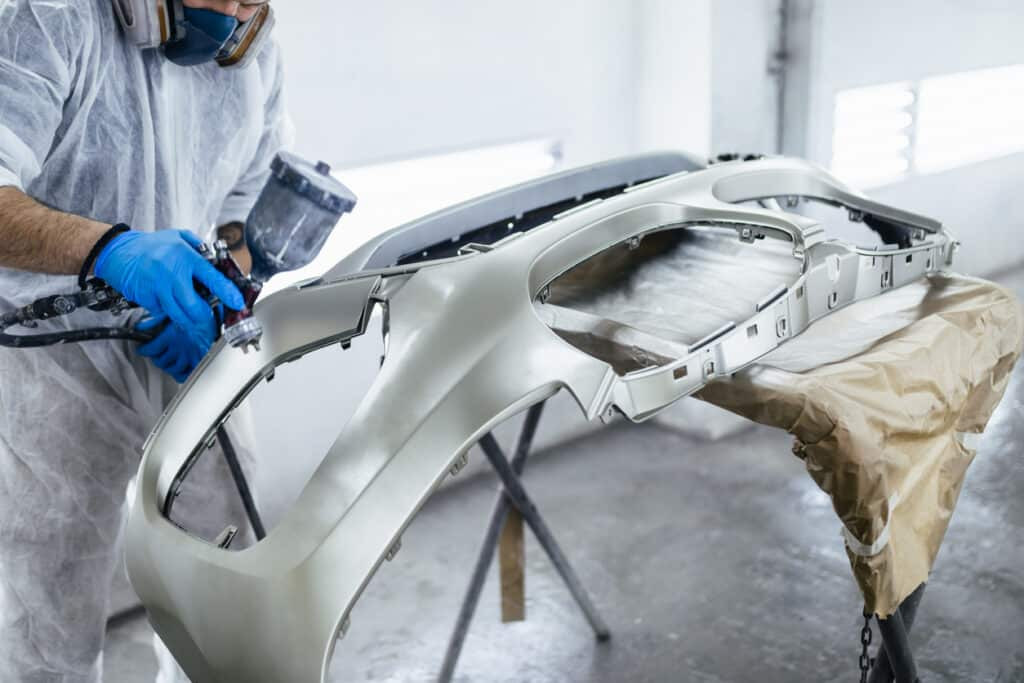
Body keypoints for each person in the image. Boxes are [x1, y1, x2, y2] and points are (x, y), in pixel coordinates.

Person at [0, 0, 291, 680]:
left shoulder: (253, 49)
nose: (240, 10)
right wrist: (112, 251)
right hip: (55, 362)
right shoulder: (51, 19)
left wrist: (220, 291)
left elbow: (245, 219)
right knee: (44, 617)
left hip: (194, 350)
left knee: (223, 592)